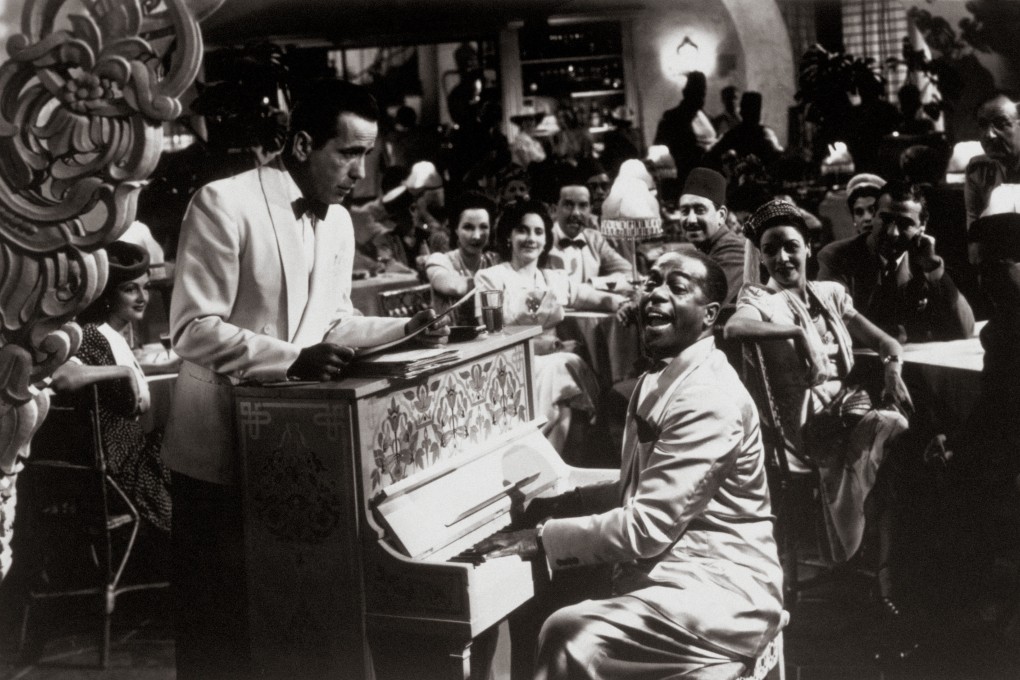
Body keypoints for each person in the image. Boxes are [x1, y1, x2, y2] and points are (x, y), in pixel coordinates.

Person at [163, 79, 448, 680]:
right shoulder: (223, 202)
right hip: (217, 454)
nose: (359, 171)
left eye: (366, 155)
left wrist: (407, 332)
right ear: (299, 143)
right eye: (347, 153)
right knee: (220, 633)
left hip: (296, 456)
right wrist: (291, 360)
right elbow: (191, 329)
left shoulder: (340, 222)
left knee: (291, 623)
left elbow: (335, 320)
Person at [478, 250, 784, 678]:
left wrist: (541, 537)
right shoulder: (668, 373)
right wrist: (567, 496)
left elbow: (648, 527)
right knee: (557, 593)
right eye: (652, 283)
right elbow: (647, 483)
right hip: (680, 567)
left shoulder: (709, 398)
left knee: (568, 633)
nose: (656, 294)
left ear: (710, 314)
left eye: (676, 288)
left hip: (720, 589)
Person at [725, 199, 913, 627]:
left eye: (791, 246)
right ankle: (871, 569)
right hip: (804, 425)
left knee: (899, 442)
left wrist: (892, 371)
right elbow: (736, 328)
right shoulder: (759, 298)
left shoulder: (830, 295)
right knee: (897, 434)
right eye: (770, 250)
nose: (781, 258)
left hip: (849, 409)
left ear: (809, 247)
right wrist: (797, 333)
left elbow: (888, 343)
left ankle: (881, 572)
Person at [475, 199, 626, 455]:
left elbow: (590, 295)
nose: (530, 238)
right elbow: (490, 335)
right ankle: (544, 461)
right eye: (522, 230)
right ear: (509, 236)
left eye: (538, 232)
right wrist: (549, 346)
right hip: (508, 365)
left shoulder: (552, 278)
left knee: (563, 386)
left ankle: (548, 465)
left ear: (546, 240)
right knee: (564, 366)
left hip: (551, 366)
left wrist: (621, 303)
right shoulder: (492, 277)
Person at [51, 241, 172, 533]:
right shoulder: (92, 334)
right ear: (107, 295)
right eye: (130, 289)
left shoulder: (115, 336)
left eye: (145, 288)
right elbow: (62, 377)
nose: (142, 297)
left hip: (132, 449)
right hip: (119, 462)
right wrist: (123, 371)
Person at [818, 181, 974, 343]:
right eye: (885, 219)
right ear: (874, 215)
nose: (892, 232)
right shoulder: (837, 257)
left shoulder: (925, 259)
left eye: (905, 223)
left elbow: (964, 330)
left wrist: (932, 267)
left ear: (922, 226)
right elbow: (835, 323)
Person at [424, 191, 501, 325]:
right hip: (450, 341)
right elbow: (454, 287)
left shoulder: (495, 261)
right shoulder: (439, 260)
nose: (477, 236)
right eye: (468, 227)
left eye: (483, 227)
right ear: (455, 229)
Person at [546, 175, 632, 289]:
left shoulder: (595, 240)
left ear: (590, 210)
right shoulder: (542, 238)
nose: (576, 213)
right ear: (554, 209)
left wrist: (592, 285)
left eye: (583, 206)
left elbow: (629, 274)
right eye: (568, 205)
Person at [676, 167, 746, 304]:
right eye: (685, 211)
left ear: (721, 215)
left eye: (700, 210)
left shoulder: (733, 250)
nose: (691, 220)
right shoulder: (707, 248)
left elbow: (702, 304)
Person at [965, 94, 1020, 232]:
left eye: (1001, 124)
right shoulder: (978, 170)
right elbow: (975, 234)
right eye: (983, 125)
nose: (990, 135)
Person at [653, 71, 716, 184]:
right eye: (698, 94)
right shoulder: (672, 118)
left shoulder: (706, 117)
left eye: (703, 94)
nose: (702, 99)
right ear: (687, 93)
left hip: (709, 176)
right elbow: (659, 151)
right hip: (685, 178)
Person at [709, 91, 783, 168]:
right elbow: (778, 156)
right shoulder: (765, 132)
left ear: (741, 112)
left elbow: (713, 153)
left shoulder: (735, 134)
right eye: (754, 111)